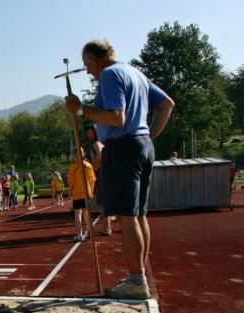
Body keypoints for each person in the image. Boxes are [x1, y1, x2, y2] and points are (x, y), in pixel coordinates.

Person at [65, 39, 174, 299]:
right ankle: (138, 278)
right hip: (141, 145)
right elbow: (167, 104)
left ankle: (137, 281)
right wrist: (149, 137)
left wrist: (81, 110)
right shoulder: (135, 73)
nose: (88, 72)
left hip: (124, 147)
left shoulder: (110, 74)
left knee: (127, 216)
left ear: (93, 59)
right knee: (138, 215)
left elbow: (116, 117)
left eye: (86, 65)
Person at [87, 125, 112, 235]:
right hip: (104, 175)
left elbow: (102, 156)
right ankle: (107, 226)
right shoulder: (101, 143)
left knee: (103, 203)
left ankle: (107, 228)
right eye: (88, 132)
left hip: (100, 175)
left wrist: (95, 165)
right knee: (104, 202)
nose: (89, 134)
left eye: (91, 132)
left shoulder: (96, 143)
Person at [68, 148, 96, 242]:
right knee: (86, 213)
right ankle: (89, 232)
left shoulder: (73, 167)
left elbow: (71, 183)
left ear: (75, 155)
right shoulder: (89, 165)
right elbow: (93, 180)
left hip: (77, 194)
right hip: (87, 193)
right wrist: (91, 192)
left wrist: (69, 193)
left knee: (78, 213)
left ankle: (79, 234)